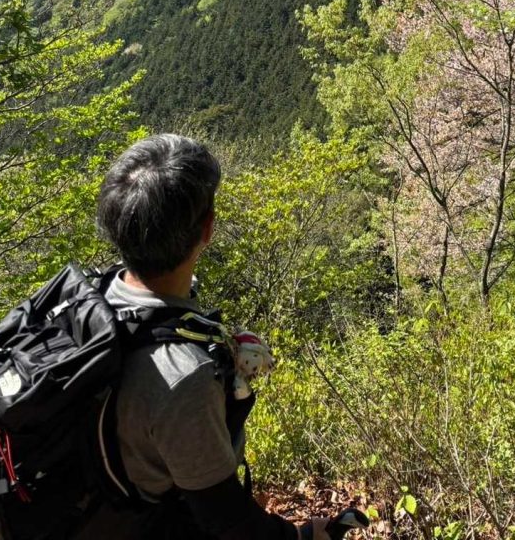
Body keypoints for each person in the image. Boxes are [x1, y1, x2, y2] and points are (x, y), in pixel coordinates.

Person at [76, 133, 328, 540]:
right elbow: (229, 522)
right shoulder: (183, 379)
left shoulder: (88, 297)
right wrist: (303, 535)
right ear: (208, 229)